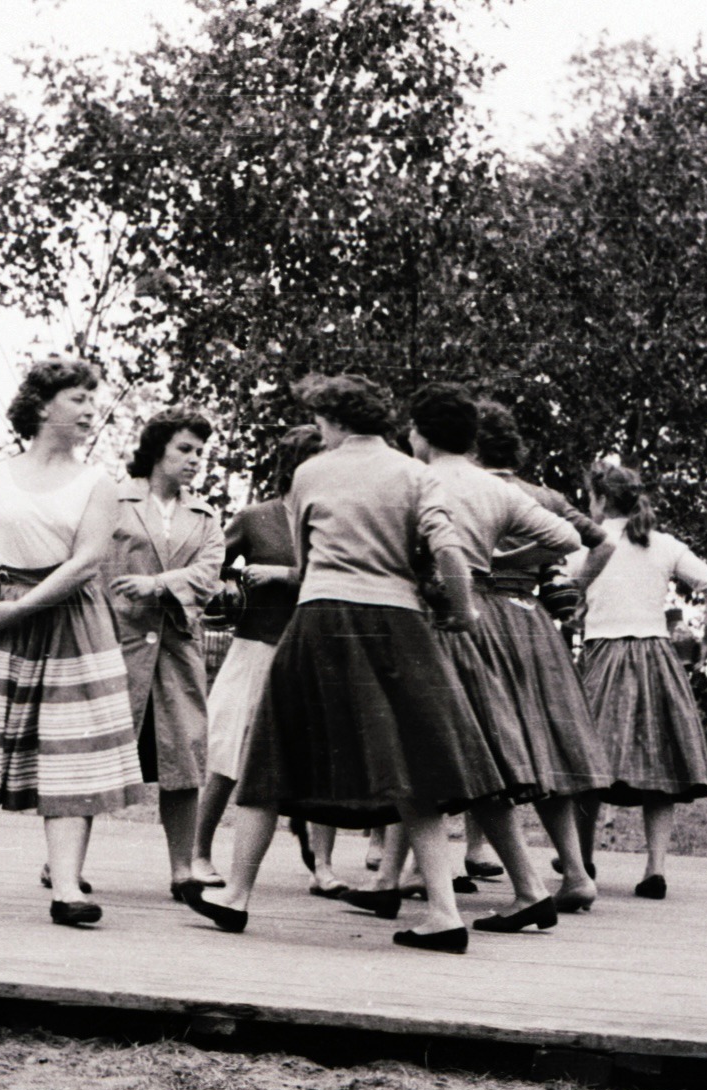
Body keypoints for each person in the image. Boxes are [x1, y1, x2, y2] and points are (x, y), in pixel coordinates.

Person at [183, 373, 511, 955]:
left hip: (322, 623)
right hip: (399, 627)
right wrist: (461, 611)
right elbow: (448, 548)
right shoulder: (418, 474)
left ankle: (234, 896)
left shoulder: (311, 473)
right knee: (416, 769)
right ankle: (443, 912)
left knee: (271, 755)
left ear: (333, 422)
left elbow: (307, 565)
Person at [0, 357, 144, 927]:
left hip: (72, 623)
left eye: (94, 401)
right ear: (43, 406)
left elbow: (88, 561)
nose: (91, 410)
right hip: (2, 620)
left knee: (75, 754)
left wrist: (21, 609)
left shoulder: (100, 482)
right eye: (78, 399)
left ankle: (66, 888)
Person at [396, 383, 588, 934]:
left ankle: (438, 902)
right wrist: (502, 551)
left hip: (430, 615)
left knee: (427, 763)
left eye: (412, 428)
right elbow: (569, 536)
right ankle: (525, 888)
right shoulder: (492, 487)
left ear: (424, 433)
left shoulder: (416, 478)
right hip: (477, 615)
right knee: (476, 762)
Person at [188, 425, 345, 897]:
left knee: (322, 759)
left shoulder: (337, 517)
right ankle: (198, 853)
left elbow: (340, 576)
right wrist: (225, 590)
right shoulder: (256, 518)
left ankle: (323, 866)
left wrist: (283, 574)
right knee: (227, 753)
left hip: (317, 650)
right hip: (257, 648)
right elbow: (209, 567)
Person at [471, 400, 612, 909]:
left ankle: (403, 874)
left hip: (479, 619)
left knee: (479, 745)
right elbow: (601, 543)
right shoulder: (544, 497)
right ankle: (575, 873)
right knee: (548, 749)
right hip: (532, 623)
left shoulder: (466, 488)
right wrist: (574, 592)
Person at [575, 461, 707, 900]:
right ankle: (654, 869)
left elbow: (564, 590)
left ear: (602, 500)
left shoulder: (587, 543)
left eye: (590, 497)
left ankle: (582, 860)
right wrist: (706, 639)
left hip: (604, 657)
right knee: (662, 761)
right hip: (656, 659)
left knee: (588, 761)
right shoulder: (663, 545)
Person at [104, 408, 226, 900]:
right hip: (117, 647)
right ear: (157, 449)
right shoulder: (113, 500)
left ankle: (182, 871)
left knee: (184, 761)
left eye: (201, 452)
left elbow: (210, 573)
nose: (195, 460)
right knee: (100, 756)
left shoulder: (205, 516)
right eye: (185, 449)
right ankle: (61, 862)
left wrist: (157, 585)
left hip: (177, 654)